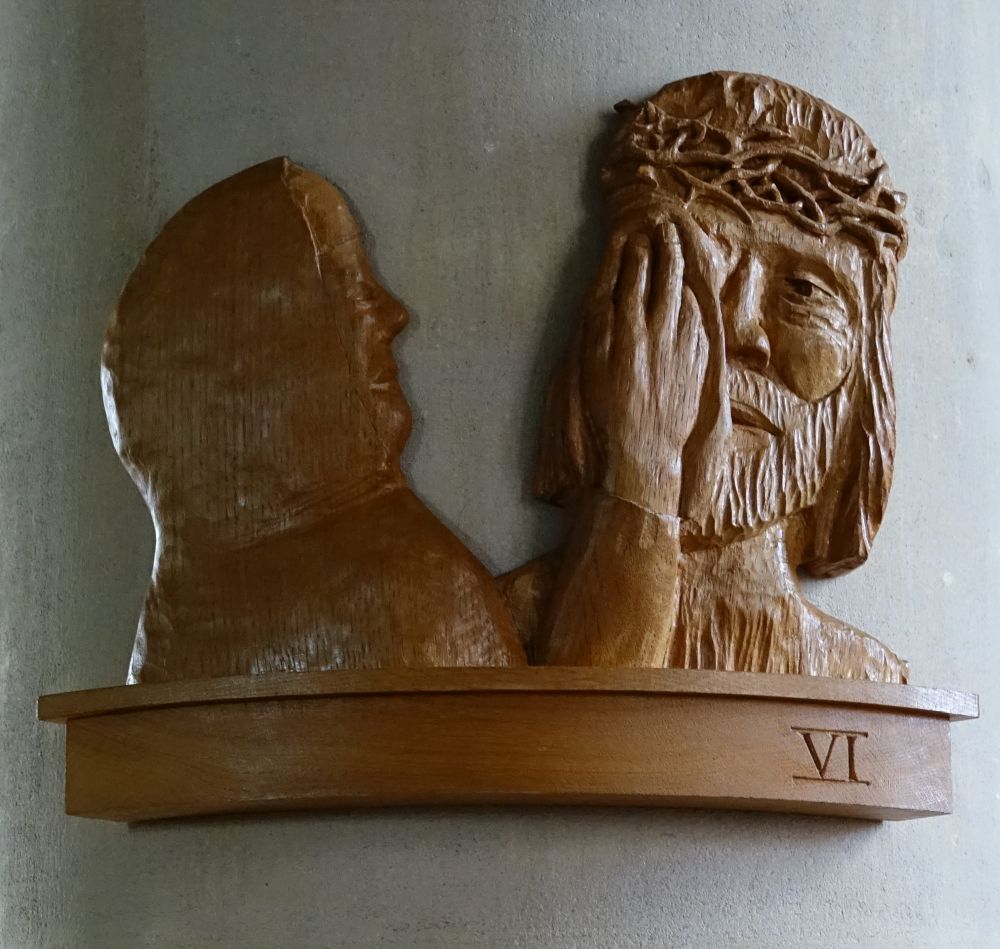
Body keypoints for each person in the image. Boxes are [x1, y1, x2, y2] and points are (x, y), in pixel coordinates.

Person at [505, 72, 908, 682]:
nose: (742, 331)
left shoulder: (867, 682)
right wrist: (643, 479)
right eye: (701, 267)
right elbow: (583, 739)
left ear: (864, 367)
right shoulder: (495, 625)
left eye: (804, 292)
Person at [105, 157, 526, 682]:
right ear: (264, 351)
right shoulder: (399, 586)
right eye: (351, 286)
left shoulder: (181, 621)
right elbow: (542, 734)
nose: (392, 315)